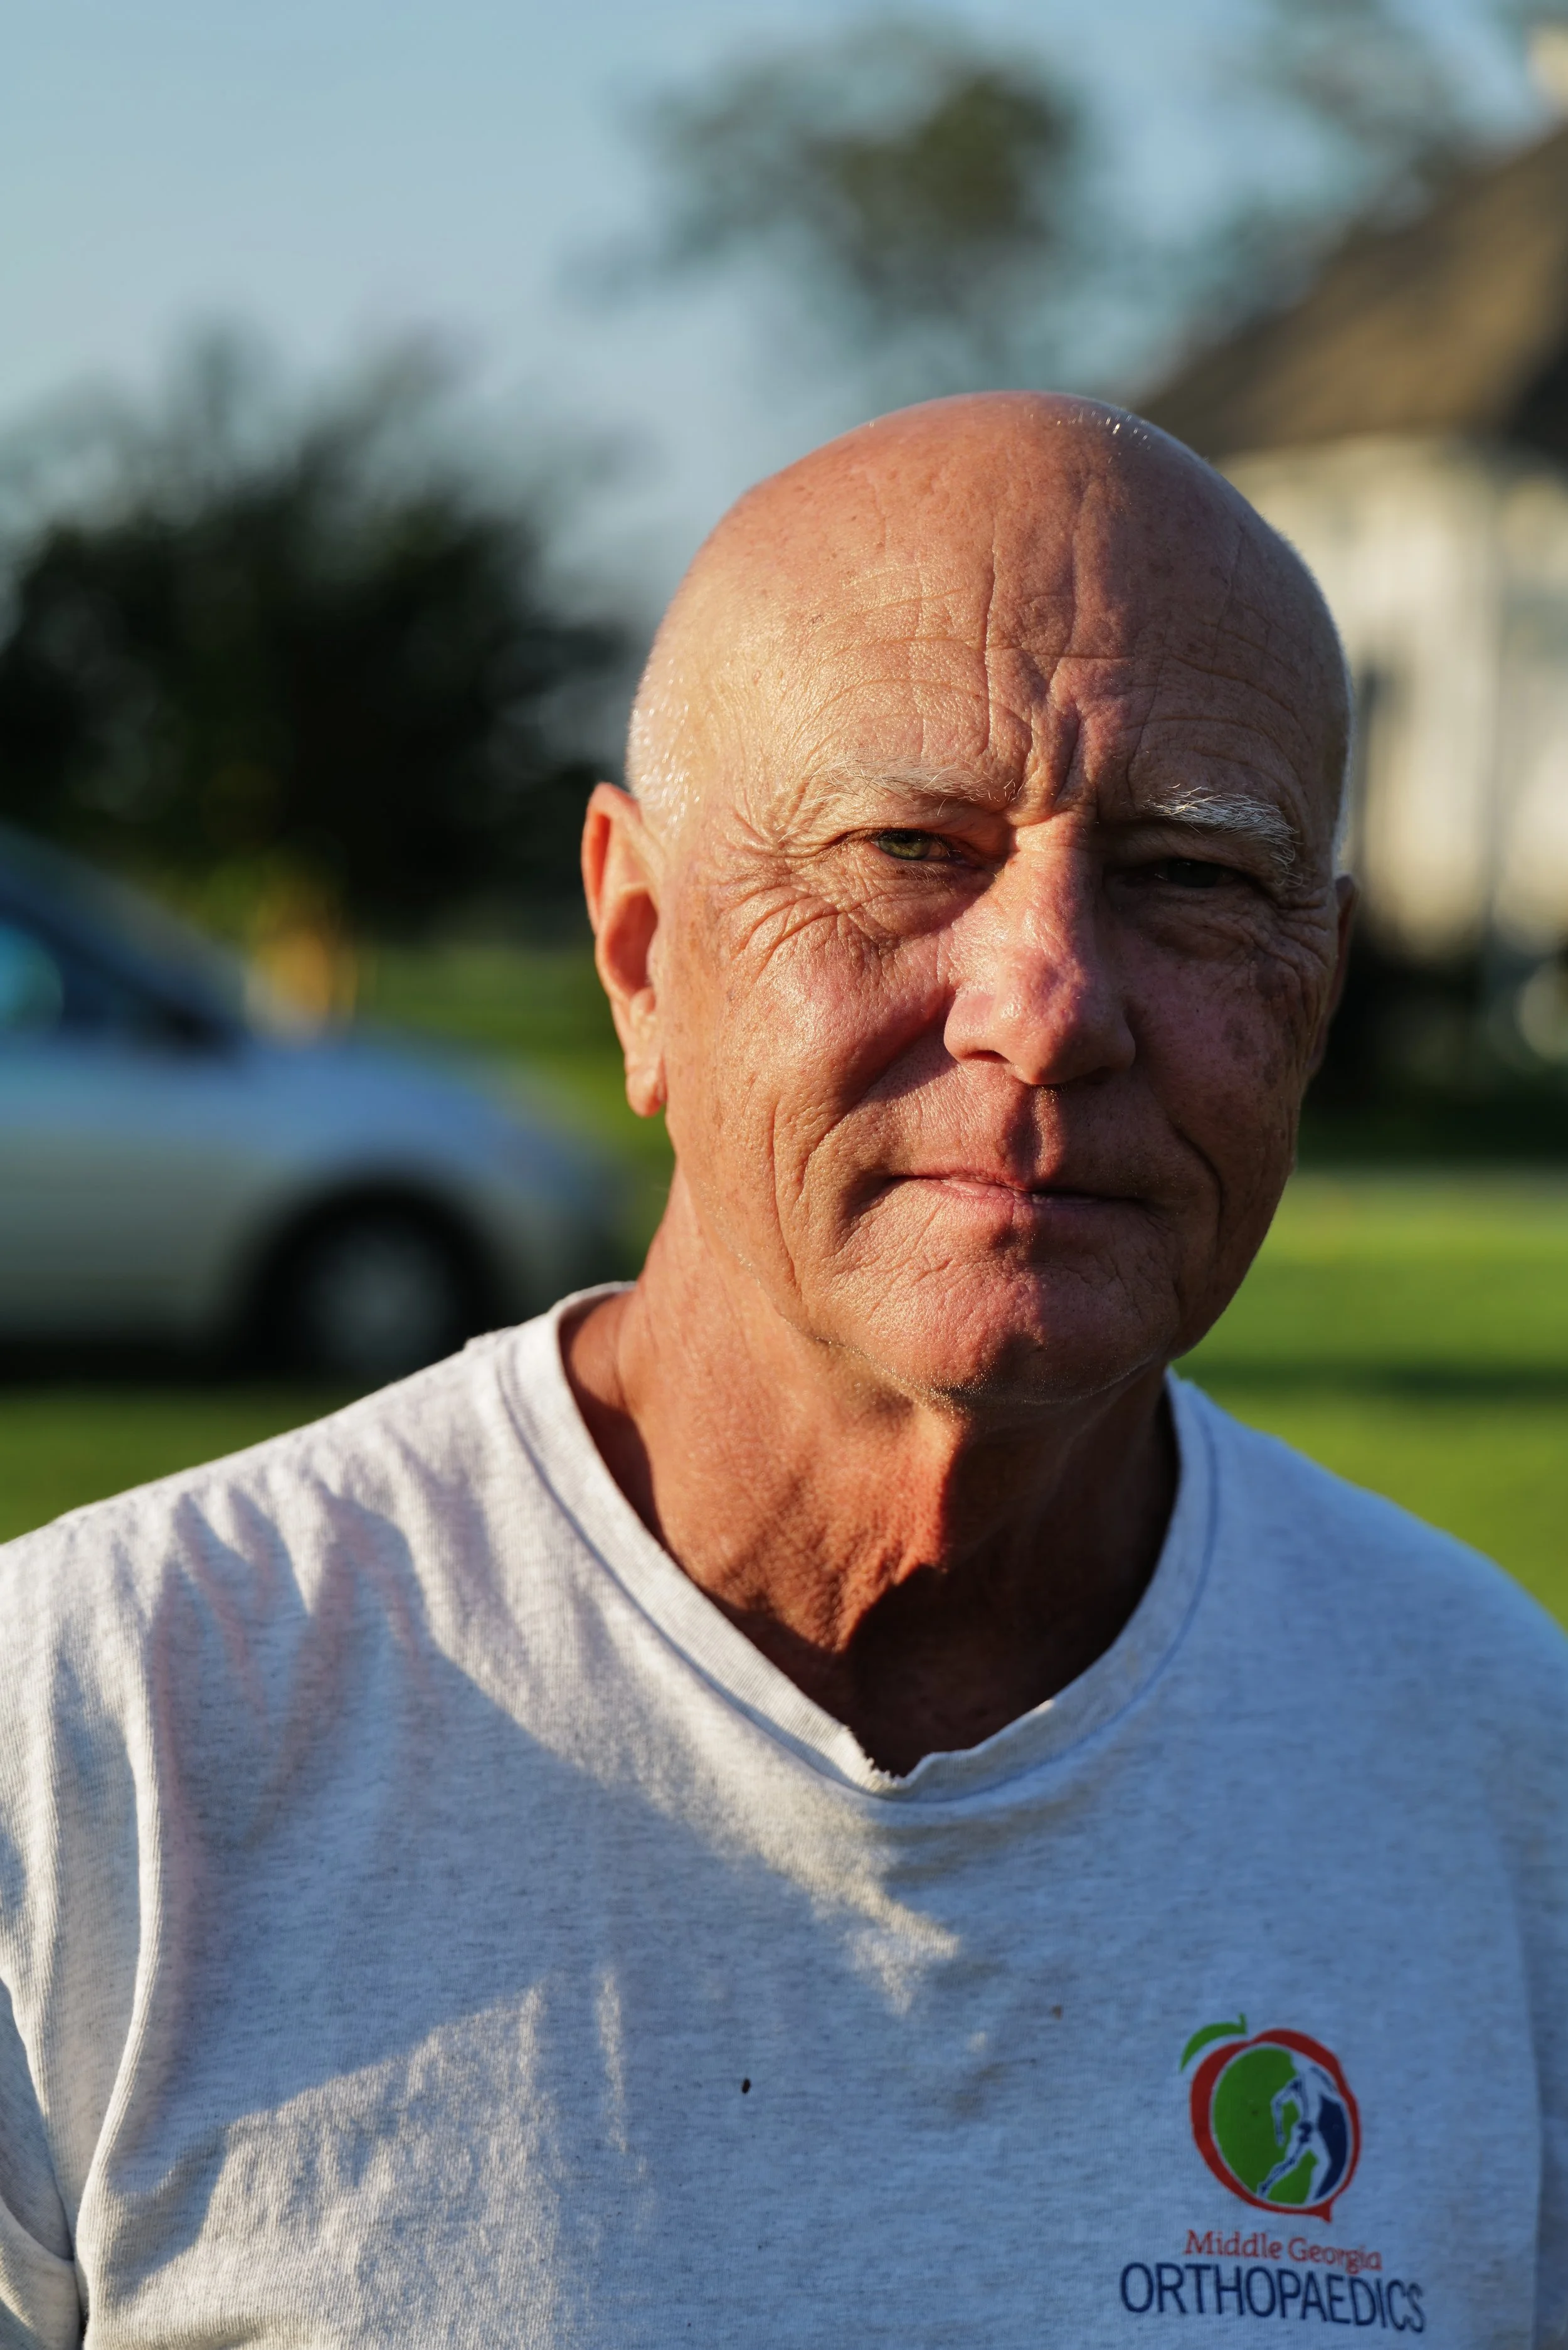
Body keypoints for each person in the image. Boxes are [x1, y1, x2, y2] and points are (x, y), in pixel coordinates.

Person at [0, 395, 1562, 2349]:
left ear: (1312, 990)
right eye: (907, 849)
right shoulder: (93, 1742)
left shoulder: (1503, 1779)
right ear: (642, 951)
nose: (1049, 1008)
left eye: (1193, 879)